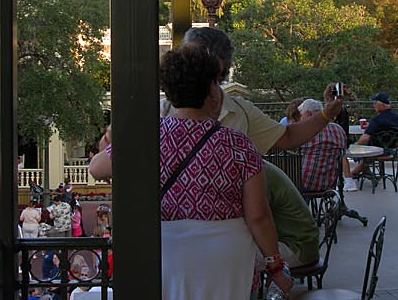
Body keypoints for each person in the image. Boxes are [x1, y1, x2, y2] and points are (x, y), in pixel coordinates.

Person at [87, 43, 277, 299]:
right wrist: (275, 263)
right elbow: (258, 217)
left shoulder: (147, 136)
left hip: (164, 255)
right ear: (212, 89)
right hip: (225, 260)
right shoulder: (238, 144)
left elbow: (97, 168)